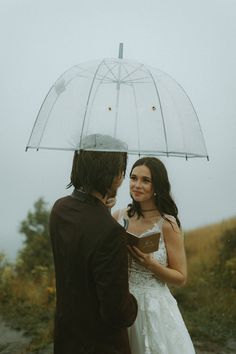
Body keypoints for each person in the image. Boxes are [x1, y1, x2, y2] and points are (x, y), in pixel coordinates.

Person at [49, 135, 138, 354]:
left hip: (67, 339)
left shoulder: (60, 209)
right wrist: (134, 303)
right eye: (121, 170)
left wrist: (102, 209)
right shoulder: (111, 232)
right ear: (114, 175)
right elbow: (116, 313)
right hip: (101, 346)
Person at [113, 157, 195, 354]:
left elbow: (181, 277)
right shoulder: (118, 216)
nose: (137, 185)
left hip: (154, 308)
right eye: (133, 178)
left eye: (145, 180)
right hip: (122, 303)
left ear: (157, 185)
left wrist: (151, 265)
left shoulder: (168, 223)